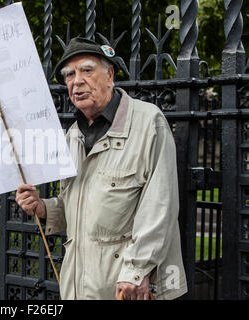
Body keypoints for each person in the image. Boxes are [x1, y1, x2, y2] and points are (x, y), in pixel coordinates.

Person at [15, 37, 187, 300]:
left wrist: (137, 271)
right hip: (79, 285)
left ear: (109, 75)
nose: (76, 81)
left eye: (86, 70)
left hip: (128, 285)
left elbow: (160, 205)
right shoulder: (73, 134)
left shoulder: (148, 122)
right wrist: (42, 208)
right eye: (69, 75)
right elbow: (76, 205)